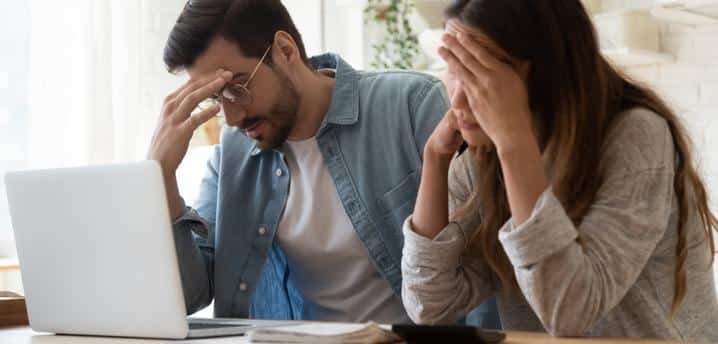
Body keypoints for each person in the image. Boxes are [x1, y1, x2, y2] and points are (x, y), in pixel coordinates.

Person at [146, 0, 502, 325]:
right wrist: (160, 179)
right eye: (215, 98)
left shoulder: (411, 107)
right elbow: (193, 294)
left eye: (237, 87)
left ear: (285, 50)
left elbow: (485, 262)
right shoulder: (232, 154)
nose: (233, 116)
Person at [400, 0, 718, 340]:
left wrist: (513, 141)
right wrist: (435, 158)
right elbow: (428, 305)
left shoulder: (635, 136)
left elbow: (571, 313)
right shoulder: (482, 160)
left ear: (542, 69)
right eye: (453, 69)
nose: (459, 100)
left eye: (479, 74)